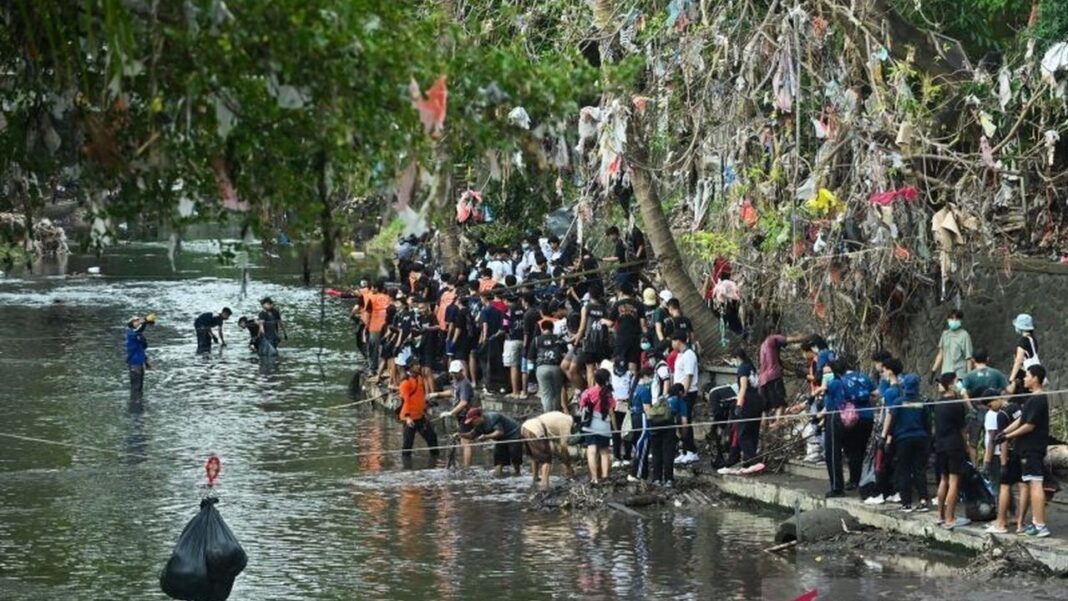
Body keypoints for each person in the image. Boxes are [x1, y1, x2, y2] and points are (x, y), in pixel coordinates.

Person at [999, 365, 1051, 537]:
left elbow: (1029, 426)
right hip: (1027, 449)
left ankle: (1040, 525)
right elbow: (1022, 419)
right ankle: (1037, 523)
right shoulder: (1031, 399)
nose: (1024, 378)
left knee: (1036, 484)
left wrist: (1008, 437)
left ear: (1036, 378)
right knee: (1032, 483)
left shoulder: (1038, 398)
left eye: (1027, 375)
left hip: (1032, 449)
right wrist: (1004, 432)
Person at [984, 389, 1025, 534]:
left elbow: (1003, 440)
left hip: (1011, 454)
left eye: (990, 405)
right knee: (1023, 486)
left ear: (996, 399)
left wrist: (1002, 463)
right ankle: (1020, 520)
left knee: (1005, 487)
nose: (991, 409)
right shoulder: (1016, 407)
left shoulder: (1001, 415)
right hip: (1023, 450)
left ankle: (1001, 522)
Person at [959, 349, 1008, 464]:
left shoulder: (969, 376)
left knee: (973, 442)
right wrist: (1002, 401)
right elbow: (1008, 389)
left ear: (973, 360)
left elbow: (963, 392)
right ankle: (991, 465)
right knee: (993, 439)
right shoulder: (996, 373)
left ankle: (975, 469)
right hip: (993, 409)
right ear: (987, 359)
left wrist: (970, 407)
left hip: (976, 409)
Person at [890, 374, 930, 512]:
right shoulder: (922, 402)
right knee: (919, 470)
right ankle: (923, 500)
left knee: (904, 471)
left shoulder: (898, 402)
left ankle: (906, 503)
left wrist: (889, 437)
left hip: (903, 439)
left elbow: (892, 422)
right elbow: (928, 423)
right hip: (920, 438)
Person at [866, 357, 903, 506]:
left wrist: (884, 436)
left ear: (890, 371)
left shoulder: (890, 392)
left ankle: (879, 493)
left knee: (881, 463)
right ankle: (892, 492)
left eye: (885, 370)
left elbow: (889, 413)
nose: (883, 373)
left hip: (887, 431)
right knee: (892, 463)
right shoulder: (902, 389)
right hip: (898, 431)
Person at [933, 373, 968, 526]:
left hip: (940, 444)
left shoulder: (937, 403)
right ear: (951, 384)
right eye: (957, 381)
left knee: (943, 479)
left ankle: (940, 515)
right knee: (954, 481)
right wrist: (966, 445)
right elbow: (962, 427)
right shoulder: (957, 404)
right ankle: (950, 517)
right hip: (954, 444)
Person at [398, 355, 440, 462]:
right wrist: (407, 418)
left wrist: (425, 409)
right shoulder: (405, 383)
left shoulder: (419, 378)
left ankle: (435, 459)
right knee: (407, 445)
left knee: (432, 438)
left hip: (420, 416)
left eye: (418, 364)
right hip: (409, 418)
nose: (419, 366)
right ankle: (406, 466)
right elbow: (405, 401)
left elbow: (420, 396)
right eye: (416, 364)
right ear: (410, 367)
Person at [758, 328, 805, 420]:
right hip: (773, 377)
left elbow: (782, 364)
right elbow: (791, 339)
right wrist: (805, 337)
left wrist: (798, 370)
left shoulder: (763, 346)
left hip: (763, 380)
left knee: (765, 409)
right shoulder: (772, 338)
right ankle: (777, 426)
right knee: (781, 405)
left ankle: (764, 429)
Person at [840, 365, 875, 490]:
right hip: (868, 417)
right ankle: (859, 478)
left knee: (851, 450)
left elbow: (840, 400)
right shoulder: (864, 377)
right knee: (861, 449)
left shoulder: (842, 381)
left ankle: (854, 479)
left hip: (852, 419)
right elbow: (874, 392)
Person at [521, 411, 575, 490]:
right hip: (535, 429)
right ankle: (545, 485)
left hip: (525, 427)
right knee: (547, 458)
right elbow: (563, 448)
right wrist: (568, 466)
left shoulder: (562, 416)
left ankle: (535, 478)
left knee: (534, 455)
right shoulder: (567, 424)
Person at [579, 368, 616, 484]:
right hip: (604, 425)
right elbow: (611, 412)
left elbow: (581, 408)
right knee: (604, 452)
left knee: (592, 451)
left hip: (590, 425)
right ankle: (605, 477)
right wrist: (615, 428)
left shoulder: (587, 392)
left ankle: (594, 478)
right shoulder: (608, 394)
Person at [464, 408, 524, 477]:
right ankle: (498, 476)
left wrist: (486, 436)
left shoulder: (493, 418)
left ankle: (517, 474)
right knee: (498, 459)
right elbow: (471, 435)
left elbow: (499, 432)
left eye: (472, 421)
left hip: (513, 435)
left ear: (477, 418)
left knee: (515, 456)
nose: (471, 423)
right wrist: (460, 435)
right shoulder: (478, 425)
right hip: (501, 439)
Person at [440, 359, 478, 468]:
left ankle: (467, 467)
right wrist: (437, 394)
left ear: (461, 371)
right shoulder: (456, 382)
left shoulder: (465, 384)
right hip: (460, 416)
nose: (454, 374)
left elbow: (463, 402)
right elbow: (453, 393)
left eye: (456, 372)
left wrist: (451, 413)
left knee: (466, 442)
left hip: (467, 416)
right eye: (452, 372)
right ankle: (465, 464)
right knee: (463, 441)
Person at [818, 359, 848, 497]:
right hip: (832, 416)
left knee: (833, 453)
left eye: (828, 372)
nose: (825, 375)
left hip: (835, 417)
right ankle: (836, 485)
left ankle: (837, 487)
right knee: (831, 453)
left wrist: (824, 383)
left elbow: (820, 390)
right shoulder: (840, 382)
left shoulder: (835, 383)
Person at [730, 347, 764, 469]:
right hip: (757, 401)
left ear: (737, 358)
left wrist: (739, 405)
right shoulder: (751, 367)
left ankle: (752, 459)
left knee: (743, 433)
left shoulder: (742, 368)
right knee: (753, 431)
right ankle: (750, 461)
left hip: (748, 402)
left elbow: (743, 388)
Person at [647, 383, 684, 487]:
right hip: (668, 428)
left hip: (655, 426)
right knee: (668, 453)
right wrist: (682, 436)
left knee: (656, 453)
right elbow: (684, 420)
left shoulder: (661, 398)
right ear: (680, 392)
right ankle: (668, 479)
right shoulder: (679, 401)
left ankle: (656, 479)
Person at [671, 332, 700, 464]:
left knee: (685, 420)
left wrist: (685, 392)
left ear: (678, 341)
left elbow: (689, 376)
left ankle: (691, 451)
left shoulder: (689, 355)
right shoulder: (680, 355)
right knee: (679, 421)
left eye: (673, 341)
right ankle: (684, 450)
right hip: (678, 392)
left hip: (687, 393)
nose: (672, 344)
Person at [574, 285, 610, 388]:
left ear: (589, 295)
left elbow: (582, 328)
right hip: (601, 344)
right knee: (601, 369)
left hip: (589, 343)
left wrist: (576, 343)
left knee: (590, 370)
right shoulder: (604, 310)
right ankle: (601, 391)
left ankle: (592, 394)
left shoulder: (586, 308)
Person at [605, 282, 645, 376]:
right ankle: (633, 387)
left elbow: (611, 323)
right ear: (632, 292)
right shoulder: (639, 305)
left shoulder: (617, 304)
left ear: (621, 292)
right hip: (635, 338)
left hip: (621, 338)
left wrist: (603, 321)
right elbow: (643, 325)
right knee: (633, 363)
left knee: (619, 362)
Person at [530, 319, 566, 413]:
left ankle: (547, 415)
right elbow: (564, 354)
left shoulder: (537, 340)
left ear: (542, 328)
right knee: (556, 393)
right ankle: (555, 414)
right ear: (553, 328)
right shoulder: (558, 338)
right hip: (556, 368)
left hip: (541, 368)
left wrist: (531, 372)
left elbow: (530, 358)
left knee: (546, 394)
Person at [930, 309, 973, 383]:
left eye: (956, 319)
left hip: (959, 373)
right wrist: (933, 371)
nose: (954, 320)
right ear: (948, 319)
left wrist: (969, 376)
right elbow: (940, 354)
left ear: (960, 320)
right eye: (952, 318)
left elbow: (968, 357)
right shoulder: (945, 334)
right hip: (946, 372)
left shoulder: (964, 335)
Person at [628, 367, 653, 482]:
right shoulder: (644, 390)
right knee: (642, 446)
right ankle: (637, 474)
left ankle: (642, 473)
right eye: (651, 376)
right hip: (642, 419)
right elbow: (647, 409)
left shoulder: (635, 388)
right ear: (646, 376)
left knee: (639, 445)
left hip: (634, 418)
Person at [610, 358, 636, 466]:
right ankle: (616, 457)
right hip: (614, 406)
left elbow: (632, 389)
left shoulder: (629, 375)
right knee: (615, 431)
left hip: (626, 405)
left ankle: (627, 456)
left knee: (627, 431)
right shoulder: (610, 375)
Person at [1007, 313, 1039, 393]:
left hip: (1023, 374)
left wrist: (1011, 378)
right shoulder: (1033, 339)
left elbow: (1018, 360)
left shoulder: (1023, 341)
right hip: (1032, 373)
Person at [125, 314, 153, 402]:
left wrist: (146, 361)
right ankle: (134, 405)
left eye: (138, 320)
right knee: (135, 386)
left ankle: (138, 404)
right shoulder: (130, 333)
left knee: (140, 386)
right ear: (131, 323)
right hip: (134, 364)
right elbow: (138, 331)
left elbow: (141, 349)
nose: (138, 322)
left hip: (139, 363)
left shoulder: (138, 335)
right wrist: (144, 321)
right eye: (135, 321)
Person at [503, 294, 527, 398]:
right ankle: (524, 389)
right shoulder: (523, 310)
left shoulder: (508, 311)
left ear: (507, 301)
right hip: (523, 340)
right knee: (524, 366)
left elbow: (505, 327)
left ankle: (515, 391)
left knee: (514, 366)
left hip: (512, 341)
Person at [366, 280, 391, 375]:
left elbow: (368, 313)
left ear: (376, 288)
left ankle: (373, 369)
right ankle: (386, 368)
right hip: (387, 325)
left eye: (373, 287)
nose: (372, 289)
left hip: (375, 325)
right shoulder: (387, 297)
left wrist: (366, 326)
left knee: (373, 347)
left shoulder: (371, 298)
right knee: (386, 346)